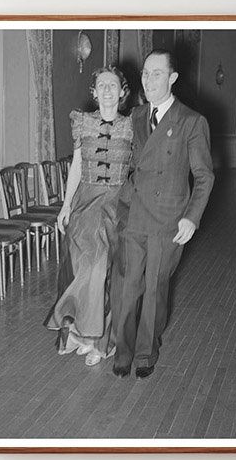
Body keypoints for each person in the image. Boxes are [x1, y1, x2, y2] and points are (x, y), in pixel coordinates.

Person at [110, 50, 214, 379]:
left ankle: (145, 352)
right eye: (145, 74)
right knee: (127, 289)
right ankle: (122, 350)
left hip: (168, 221)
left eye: (157, 74)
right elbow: (125, 161)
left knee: (154, 290)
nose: (149, 80)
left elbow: (204, 176)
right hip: (134, 215)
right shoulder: (137, 115)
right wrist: (121, 196)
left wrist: (191, 217)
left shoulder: (191, 121)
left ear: (172, 78)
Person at [44, 67, 133, 366]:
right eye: (101, 85)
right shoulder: (82, 122)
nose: (107, 90)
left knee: (104, 270)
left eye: (113, 85)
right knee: (84, 267)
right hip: (85, 200)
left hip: (118, 203)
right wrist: (66, 205)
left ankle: (98, 339)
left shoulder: (134, 125)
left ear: (122, 91)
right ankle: (82, 334)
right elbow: (77, 166)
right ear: (94, 92)